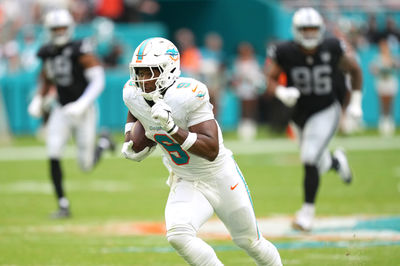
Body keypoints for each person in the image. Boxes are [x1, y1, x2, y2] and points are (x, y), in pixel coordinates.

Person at [121, 37, 282, 266]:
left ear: (168, 70)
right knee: (178, 235)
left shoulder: (189, 94)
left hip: (219, 176)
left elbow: (211, 149)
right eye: (139, 72)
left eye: (150, 72)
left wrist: (172, 129)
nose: (143, 80)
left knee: (249, 241)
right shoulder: (132, 92)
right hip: (185, 178)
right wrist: (130, 140)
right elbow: (135, 109)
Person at [266, 7, 363, 231]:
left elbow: (356, 71)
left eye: (313, 29)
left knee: (309, 158)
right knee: (316, 160)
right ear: (296, 31)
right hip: (299, 113)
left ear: (320, 30)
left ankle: (306, 214)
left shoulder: (331, 47)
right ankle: (336, 161)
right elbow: (270, 78)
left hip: (325, 109)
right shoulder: (285, 51)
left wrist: (355, 104)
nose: (309, 34)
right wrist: (281, 92)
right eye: (305, 30)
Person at [27, 9, 115, 219]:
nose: (59, 32)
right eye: (55, 29)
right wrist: (40, 98)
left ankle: (103, 143)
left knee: (85, 165)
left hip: (83, 110)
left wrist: (83, 103)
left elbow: (98, 79)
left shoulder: (80, 50)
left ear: (69, 28)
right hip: (61, 108)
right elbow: (48, 76)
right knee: (53, 152)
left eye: (62, 28)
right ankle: (63, 205)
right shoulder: (47, 51)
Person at [370, 38, 399, 137]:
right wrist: (378, 68)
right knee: (382, 103)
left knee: (390, 103)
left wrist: (392, 64)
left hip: (390, 82)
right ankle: (383, 123)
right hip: (382, 82)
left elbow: (397, 67)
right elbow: (373, 70)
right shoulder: (378, 58)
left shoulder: (392, 57)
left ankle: (390, 122)